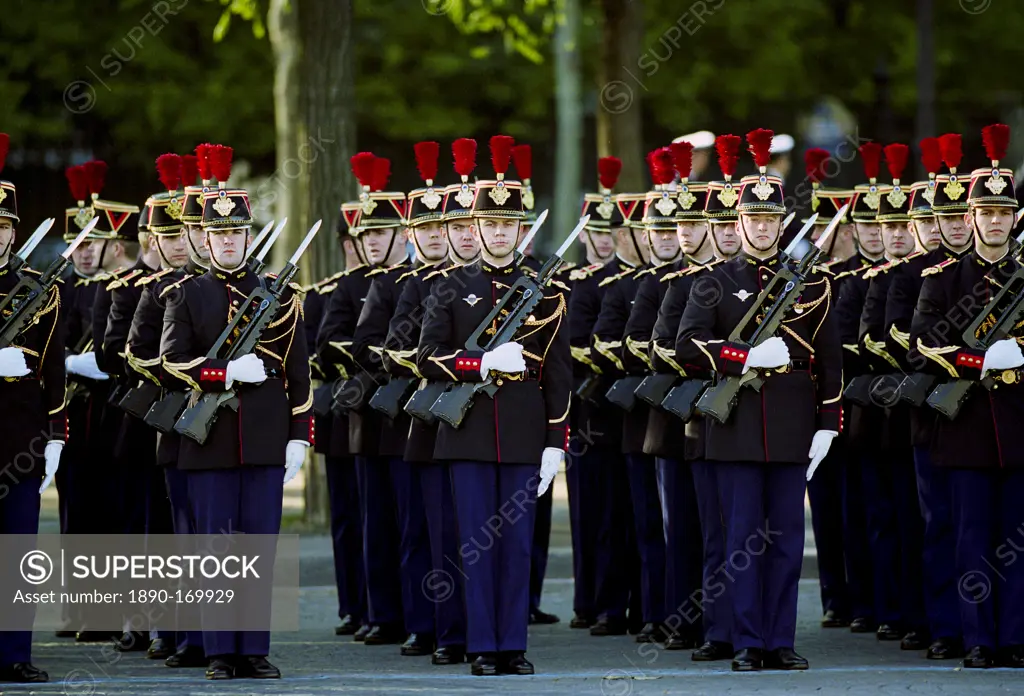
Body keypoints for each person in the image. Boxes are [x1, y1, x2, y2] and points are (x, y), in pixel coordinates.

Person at [676, 129, 843, 672]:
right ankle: (748, 640)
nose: (764, 227)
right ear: (739, 223)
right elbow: (687, 346)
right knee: (742, 542)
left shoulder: (809, 282)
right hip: (737, 421)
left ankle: (780, 640)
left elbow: (829, 357)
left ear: (780, 223)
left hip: (793, 421)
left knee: (788, 543)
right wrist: (741, 358)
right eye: (755, 219)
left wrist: (826, 423)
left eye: (772, 220)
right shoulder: (713, 282)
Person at [416, 134, 571, 676]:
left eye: (510, 224)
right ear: (475, 228)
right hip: (469, 429)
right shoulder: (451, 287)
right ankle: (484, 645)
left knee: (516, 547)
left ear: (520, 229)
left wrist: (556, 442)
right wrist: (478, 364)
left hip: (526, 431)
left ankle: (513, 645)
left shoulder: (547, 292)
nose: (500, 231)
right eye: (491, 224)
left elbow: (558, 373)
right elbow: (427, 357)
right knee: (477, 547)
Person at [162, 155, 312, 680]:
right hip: (209, 438)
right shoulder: (186, 294)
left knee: (257, 547)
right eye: (217, 234)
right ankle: (220, 650)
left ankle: (253, 647)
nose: (228, 242)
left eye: (237, 233)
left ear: (249, 237)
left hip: (267, 439)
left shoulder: (280, 295)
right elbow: (172, 362)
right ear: (203, 239)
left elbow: (299, 372)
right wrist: (222, 374)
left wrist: (299, 436)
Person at [909, 124, 1024, 669]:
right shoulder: (943, 278)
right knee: (971, 540)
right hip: (966, 428)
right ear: (970, 218)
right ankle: (978, 638)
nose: (995, 220)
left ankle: (1017, 636)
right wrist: (978, 360)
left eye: (1004, 212)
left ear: (1014, 218)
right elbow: (923, 343)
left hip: (1020, 424)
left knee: (1017, 541)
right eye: (986, 212)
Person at [383, 140, 481, 665]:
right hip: (428, 415)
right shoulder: (414, 285)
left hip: (481, 415)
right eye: (452, 227)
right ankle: (432, 626)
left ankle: (476, 626)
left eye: (469, 226)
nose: (461, 235)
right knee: (430, 529)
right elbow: (396, 350)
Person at [649, 133, 742, 657]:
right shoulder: (684, 284)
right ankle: (691, 619)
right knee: (691, 528)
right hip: (690, 414)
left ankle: (732, 624)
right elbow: (665, 346)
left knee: (738, 530)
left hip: (744, 414)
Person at [592, 146, 683, 646]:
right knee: (647, 524)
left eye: (674, 231)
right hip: (641, 419)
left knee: (684, 527)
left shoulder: (698, 282)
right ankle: (652, 611)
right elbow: (609, 342)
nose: (667, 241)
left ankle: (680, 611)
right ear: (644, 235)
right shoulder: (631, 286)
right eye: (659, 232)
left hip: (687, 415)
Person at [318, 153, 408, 647]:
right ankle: (378, 611)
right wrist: (379, 353)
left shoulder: (416, 282)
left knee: (412, 520)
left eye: (380, 234)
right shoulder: (352, 285)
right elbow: (331, 343)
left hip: (411, 416)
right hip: (367, 415)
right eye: (366, 236)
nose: (371, 242)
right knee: (373, 520)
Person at [883, 137, 964, 660]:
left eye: (957, 218)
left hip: (982, 412)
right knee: (935, 523)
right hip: (928, 407)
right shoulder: (913, 274)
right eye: (938, 219)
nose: (948, 228)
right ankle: (939, 622)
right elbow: (895, 336)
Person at [124, 154, 207, 664]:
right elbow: (125, 352)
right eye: (172, 236)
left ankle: (203, 633)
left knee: (201, 533)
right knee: (164, 533)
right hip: (163, 419)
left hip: (211, 422)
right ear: (153, 240)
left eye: (188, 235)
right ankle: (164, 627)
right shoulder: (147, 292)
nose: (181, 244)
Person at [0, 134, 67, 683]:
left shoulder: (39, 291)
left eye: (2, 227)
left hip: (21, 440)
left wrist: (57, 435)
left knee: (19, 551)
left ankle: (14, 653)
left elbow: (54, 370)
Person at [856, 143, 928, 650]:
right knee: (887, 517)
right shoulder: (879, 279)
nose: (901, 234)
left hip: (924, 407)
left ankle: (920, 610)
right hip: (886, 412)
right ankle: (891, 607)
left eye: (907, 226)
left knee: (919, 518)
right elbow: (872, 340)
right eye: (892, 227)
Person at [566, 156, 639, 632]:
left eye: (615, 232)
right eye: (598, 232)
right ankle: (594, 600)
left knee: (628, 515)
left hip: (630, 410)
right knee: (594, 514)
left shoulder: (637, 280)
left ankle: (624, 602)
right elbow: (575, 347)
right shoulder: (583, 284)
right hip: (593, 411)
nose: (606, 240)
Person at [832, 142, 888, 636]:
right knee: (860, 512)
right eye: (868, 226)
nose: (874, 234)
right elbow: (844, 346)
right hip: (858, 411)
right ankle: (859, 600)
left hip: (900, 412)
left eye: (883, 226)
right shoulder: (845, 282)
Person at [305, 201, 367, 639]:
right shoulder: (321, 295)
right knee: (347, 514)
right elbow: (310, 357)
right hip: (342, 413)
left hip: (383, 411)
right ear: (349, 243)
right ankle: (353, 603)